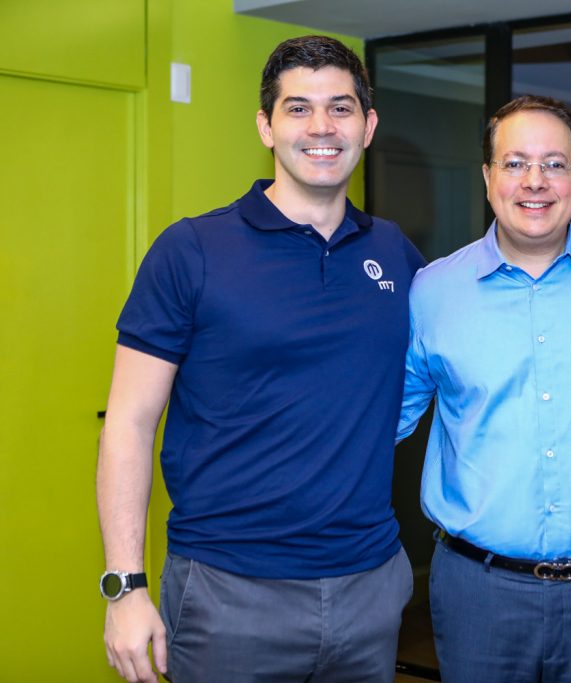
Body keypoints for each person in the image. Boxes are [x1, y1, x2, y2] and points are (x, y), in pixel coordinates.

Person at [97, 35, 424, 683]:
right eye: (298, 108)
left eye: (341, 107)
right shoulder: (192, 249)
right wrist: (124, 586)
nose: (322, 127)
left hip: (368, 587)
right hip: (228, 591)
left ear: (368, 124)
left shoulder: (395, 254)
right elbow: (129, 421)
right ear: (266, 127)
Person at [397, 95, 571, 683]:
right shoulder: (431, 294)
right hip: (477, 594)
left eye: (554, 164)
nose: (534, 181)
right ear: (488, 178)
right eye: (514, 163)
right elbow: (377, 421)